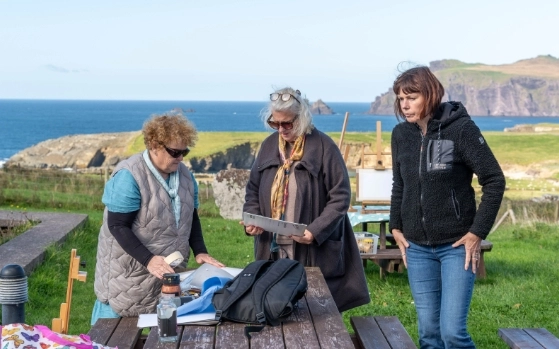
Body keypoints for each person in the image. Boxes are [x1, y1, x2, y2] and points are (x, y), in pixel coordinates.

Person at [389, 66, 505, 348]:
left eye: (411, 97)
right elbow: (399, 184)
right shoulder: (401, 134)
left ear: (430, 94)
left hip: (456, 247)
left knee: (452, 333)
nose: (404, 105)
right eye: (400, 98)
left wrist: (477, 232)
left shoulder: (461, 129)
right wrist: (395, 226)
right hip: (416, 248)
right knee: (429, 334)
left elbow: (494, 180)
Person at [241, 87, 370, 312]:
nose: (280, 129)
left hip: (311, 249)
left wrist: (316, 230)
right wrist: (253, 217)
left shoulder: (324, 147)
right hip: (272, 247)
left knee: (313, 312)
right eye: (275, 123)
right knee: (274, 306)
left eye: (287, 124)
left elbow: (340, 197)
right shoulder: (268, 146)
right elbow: (253, 188)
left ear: (301, 119)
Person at [92, 113, 224, 324]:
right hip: (128, 274)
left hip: (167, 273)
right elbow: (117, 225)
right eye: (175, 152)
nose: (181, 158)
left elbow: (192, 216)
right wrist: (148, 260)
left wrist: (200, 251)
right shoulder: (130, 175)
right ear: (154, 145)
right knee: (110, 339)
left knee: (165, 334)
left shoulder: (186, 176)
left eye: (185, 152)